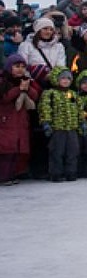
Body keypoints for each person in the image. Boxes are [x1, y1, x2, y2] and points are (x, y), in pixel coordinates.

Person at [0, 54, 40, 185]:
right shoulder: (3, 81)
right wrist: (19, 89)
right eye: (17, 66)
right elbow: (4, 98)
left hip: (20, 122)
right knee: (6, 151)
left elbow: (35, 95)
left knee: (16, 152)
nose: (20, 69)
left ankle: (13, 174)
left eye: (23, 67)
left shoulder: (26, 80)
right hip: (5, 121)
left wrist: (27, 88)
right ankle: (4, 176)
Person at [38, 66, 81, 182]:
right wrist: (46, 122)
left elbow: (78, 108)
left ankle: (71, 172)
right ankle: (56, 173)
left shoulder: (72, 94)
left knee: (72, 151)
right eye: (63, 78)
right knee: (56, 151)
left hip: (71, 127)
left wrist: (81, 121)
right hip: (57, 128)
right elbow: (45, 108)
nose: (66, 81)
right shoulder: (50, 93)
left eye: (68, 78)